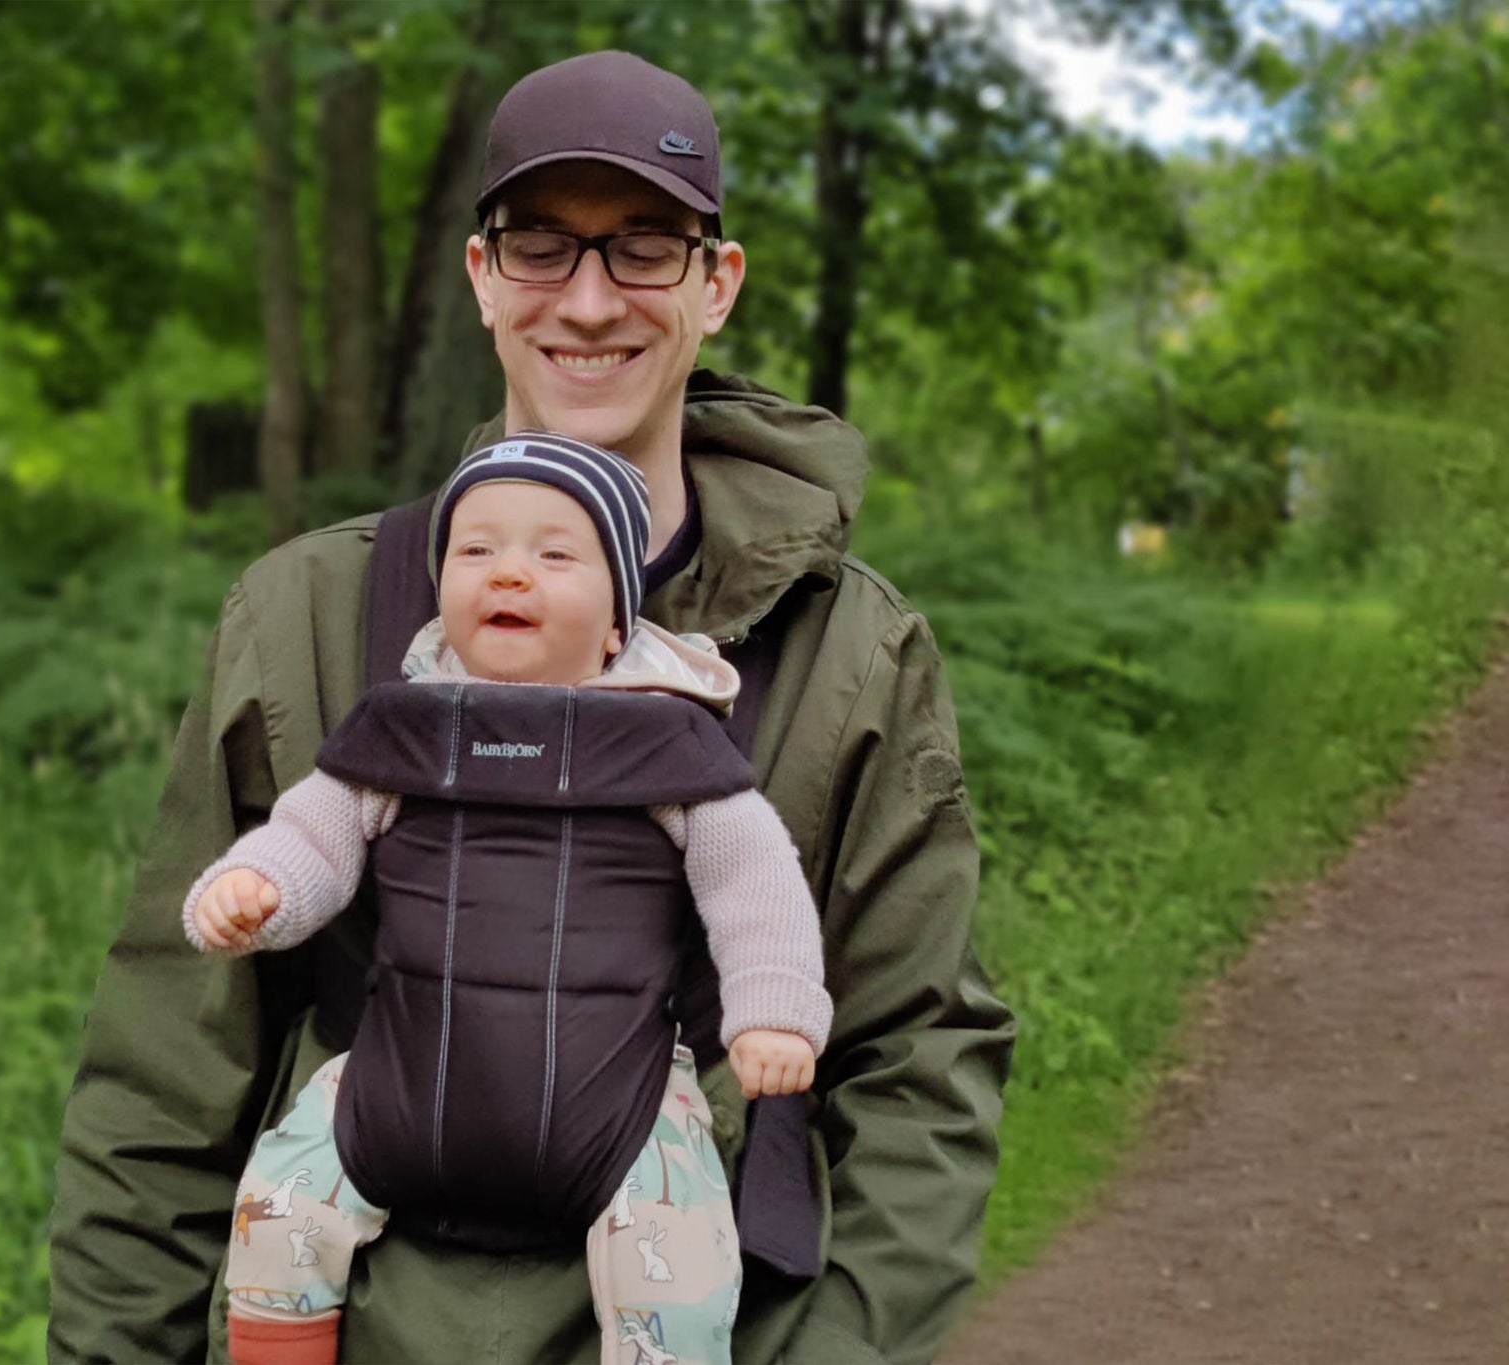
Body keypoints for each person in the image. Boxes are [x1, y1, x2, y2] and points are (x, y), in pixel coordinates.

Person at [50, 48, 1015, 1365]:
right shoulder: (308, 616)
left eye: (646, 248)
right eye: (541, 245)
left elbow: (918, 1061)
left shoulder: (851, 654)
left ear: (717, 283)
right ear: (482, 276)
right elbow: (168, 1063)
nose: (591, 299)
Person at [185, 434, 833, 1365]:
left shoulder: (665, 742)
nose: (509, 573)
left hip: (619, 1104)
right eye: (477, 549)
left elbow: (755, 878)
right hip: (395, 1086)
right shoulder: (403, 731)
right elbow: (312, 836)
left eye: (555, 554)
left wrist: (774, 1011)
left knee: (678, 1266)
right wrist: (257, 889)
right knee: (279, 1210)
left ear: (617, 621)